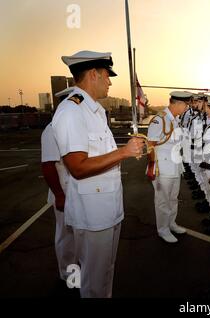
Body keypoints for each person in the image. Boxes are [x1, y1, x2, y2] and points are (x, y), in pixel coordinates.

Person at [51, 50, 145, 298]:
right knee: (93, 281)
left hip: (107, 208)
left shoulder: (95, 111)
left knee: (105, 273)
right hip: (92, 215)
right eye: (107, 75)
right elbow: (78, 167)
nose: (110, 82)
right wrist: (124, 152)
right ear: (93, 74)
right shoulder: (72, 112)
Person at [41, 87, 75, 286]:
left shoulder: (73, 127)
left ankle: (79, 269)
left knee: (78, 235)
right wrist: (59, 195)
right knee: (66, 236)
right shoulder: (52, 129)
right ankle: (69, 275)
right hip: (64, 190)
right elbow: (47, 165)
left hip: (78, 191)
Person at [146, 91, 191, 243]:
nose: (186, 108)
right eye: (185, 105)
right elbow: (150, 145)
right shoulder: (159, 120)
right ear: (177, 103)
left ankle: (171, 223)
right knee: (162, 201)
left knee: (173, 198)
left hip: (175, 167)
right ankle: (163, 229)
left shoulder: (175, 119)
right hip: (162, 169)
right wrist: (151, 166)